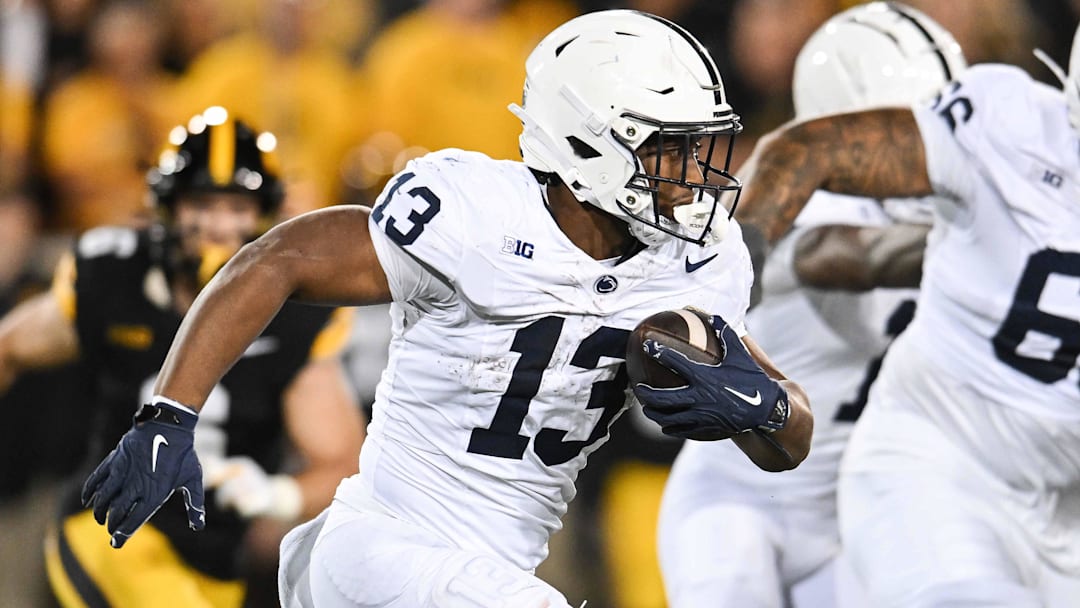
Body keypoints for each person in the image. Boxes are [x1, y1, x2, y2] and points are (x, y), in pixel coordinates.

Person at [78, 10, 815, 608]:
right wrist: (170, 412)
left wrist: (769, 413)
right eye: (668, 150)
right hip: (377, 550)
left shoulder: (698, 258)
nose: (693, 175)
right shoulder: (477, 213)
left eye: (697, 147)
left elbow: (786, 431)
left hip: (494, 569)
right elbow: (277, 259)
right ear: (590, 144)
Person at [730, 15, 1080, 608]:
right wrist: (722, 287)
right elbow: (810, 151)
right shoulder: (1008, 123)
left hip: (1065, 508)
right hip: (944, 471)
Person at [657, 4, 966, 607]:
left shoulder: (958, 205)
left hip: (861, 514)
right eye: (906, 127)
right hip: (738, 503)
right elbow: (850, 256)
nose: (925, 147)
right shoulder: (795, 206)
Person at [0, 106, 365, 607]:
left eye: (236, 207)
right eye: (202, 204)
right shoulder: (117, 274)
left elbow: (341, 460)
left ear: (264, 216)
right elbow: (9, 349)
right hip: (111, 535)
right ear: (169, 208)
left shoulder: (297, 320)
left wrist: (277, 494)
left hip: (213, 565)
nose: (218, 225)